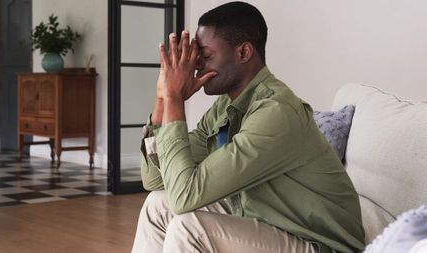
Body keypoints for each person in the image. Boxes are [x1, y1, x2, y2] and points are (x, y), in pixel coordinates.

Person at [132, 2, 365, 253]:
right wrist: (161, 99)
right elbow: (154, 180)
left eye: (206, 56)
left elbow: (183, 197)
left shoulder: (276, 112)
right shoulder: (225, 106)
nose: (197, 65)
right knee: (157, 204)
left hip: (317, 243)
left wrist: (174, 98)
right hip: (265, 220)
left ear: (243, 53)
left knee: (190, 227)